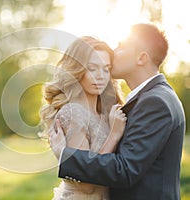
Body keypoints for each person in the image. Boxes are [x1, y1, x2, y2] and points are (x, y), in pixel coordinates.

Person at [49, 23, 186, 200]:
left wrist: (65, 155)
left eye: (121, 46)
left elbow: (125, 169)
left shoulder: (155, 101)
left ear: (141, 59)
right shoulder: (153, 96)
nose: (114, 51)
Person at [39, 36, 127, 199]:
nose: (100, 76)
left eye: (106, 69)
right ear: (76, 70)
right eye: (92, 68)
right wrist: (114, 135)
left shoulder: (104, 113)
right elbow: (86, 184)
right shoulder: (73, 114)